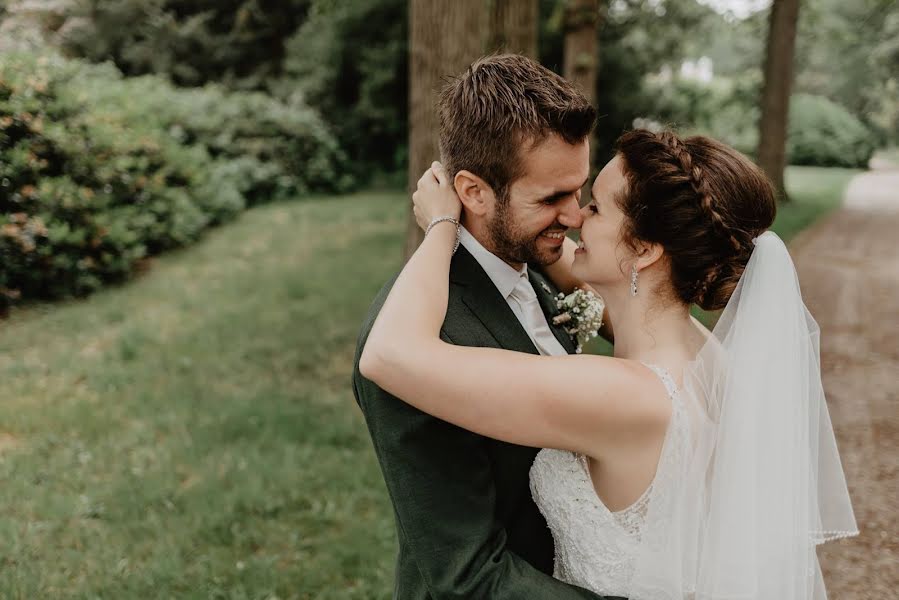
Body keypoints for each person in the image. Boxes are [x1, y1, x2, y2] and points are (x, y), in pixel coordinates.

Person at [360, 127, 858, 599]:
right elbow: (626, 289)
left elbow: (388, 354)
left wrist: (444, 223)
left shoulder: (621, 395)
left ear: (643, 249)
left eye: (594, 208)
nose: (574, 218)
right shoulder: (707, 357)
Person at [352, 54, 619, 599]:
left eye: (579, 189)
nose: (574, 217)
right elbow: (467, 577)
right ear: (472, 192)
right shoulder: (418, 341)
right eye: (550, 198)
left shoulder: (538, 264)